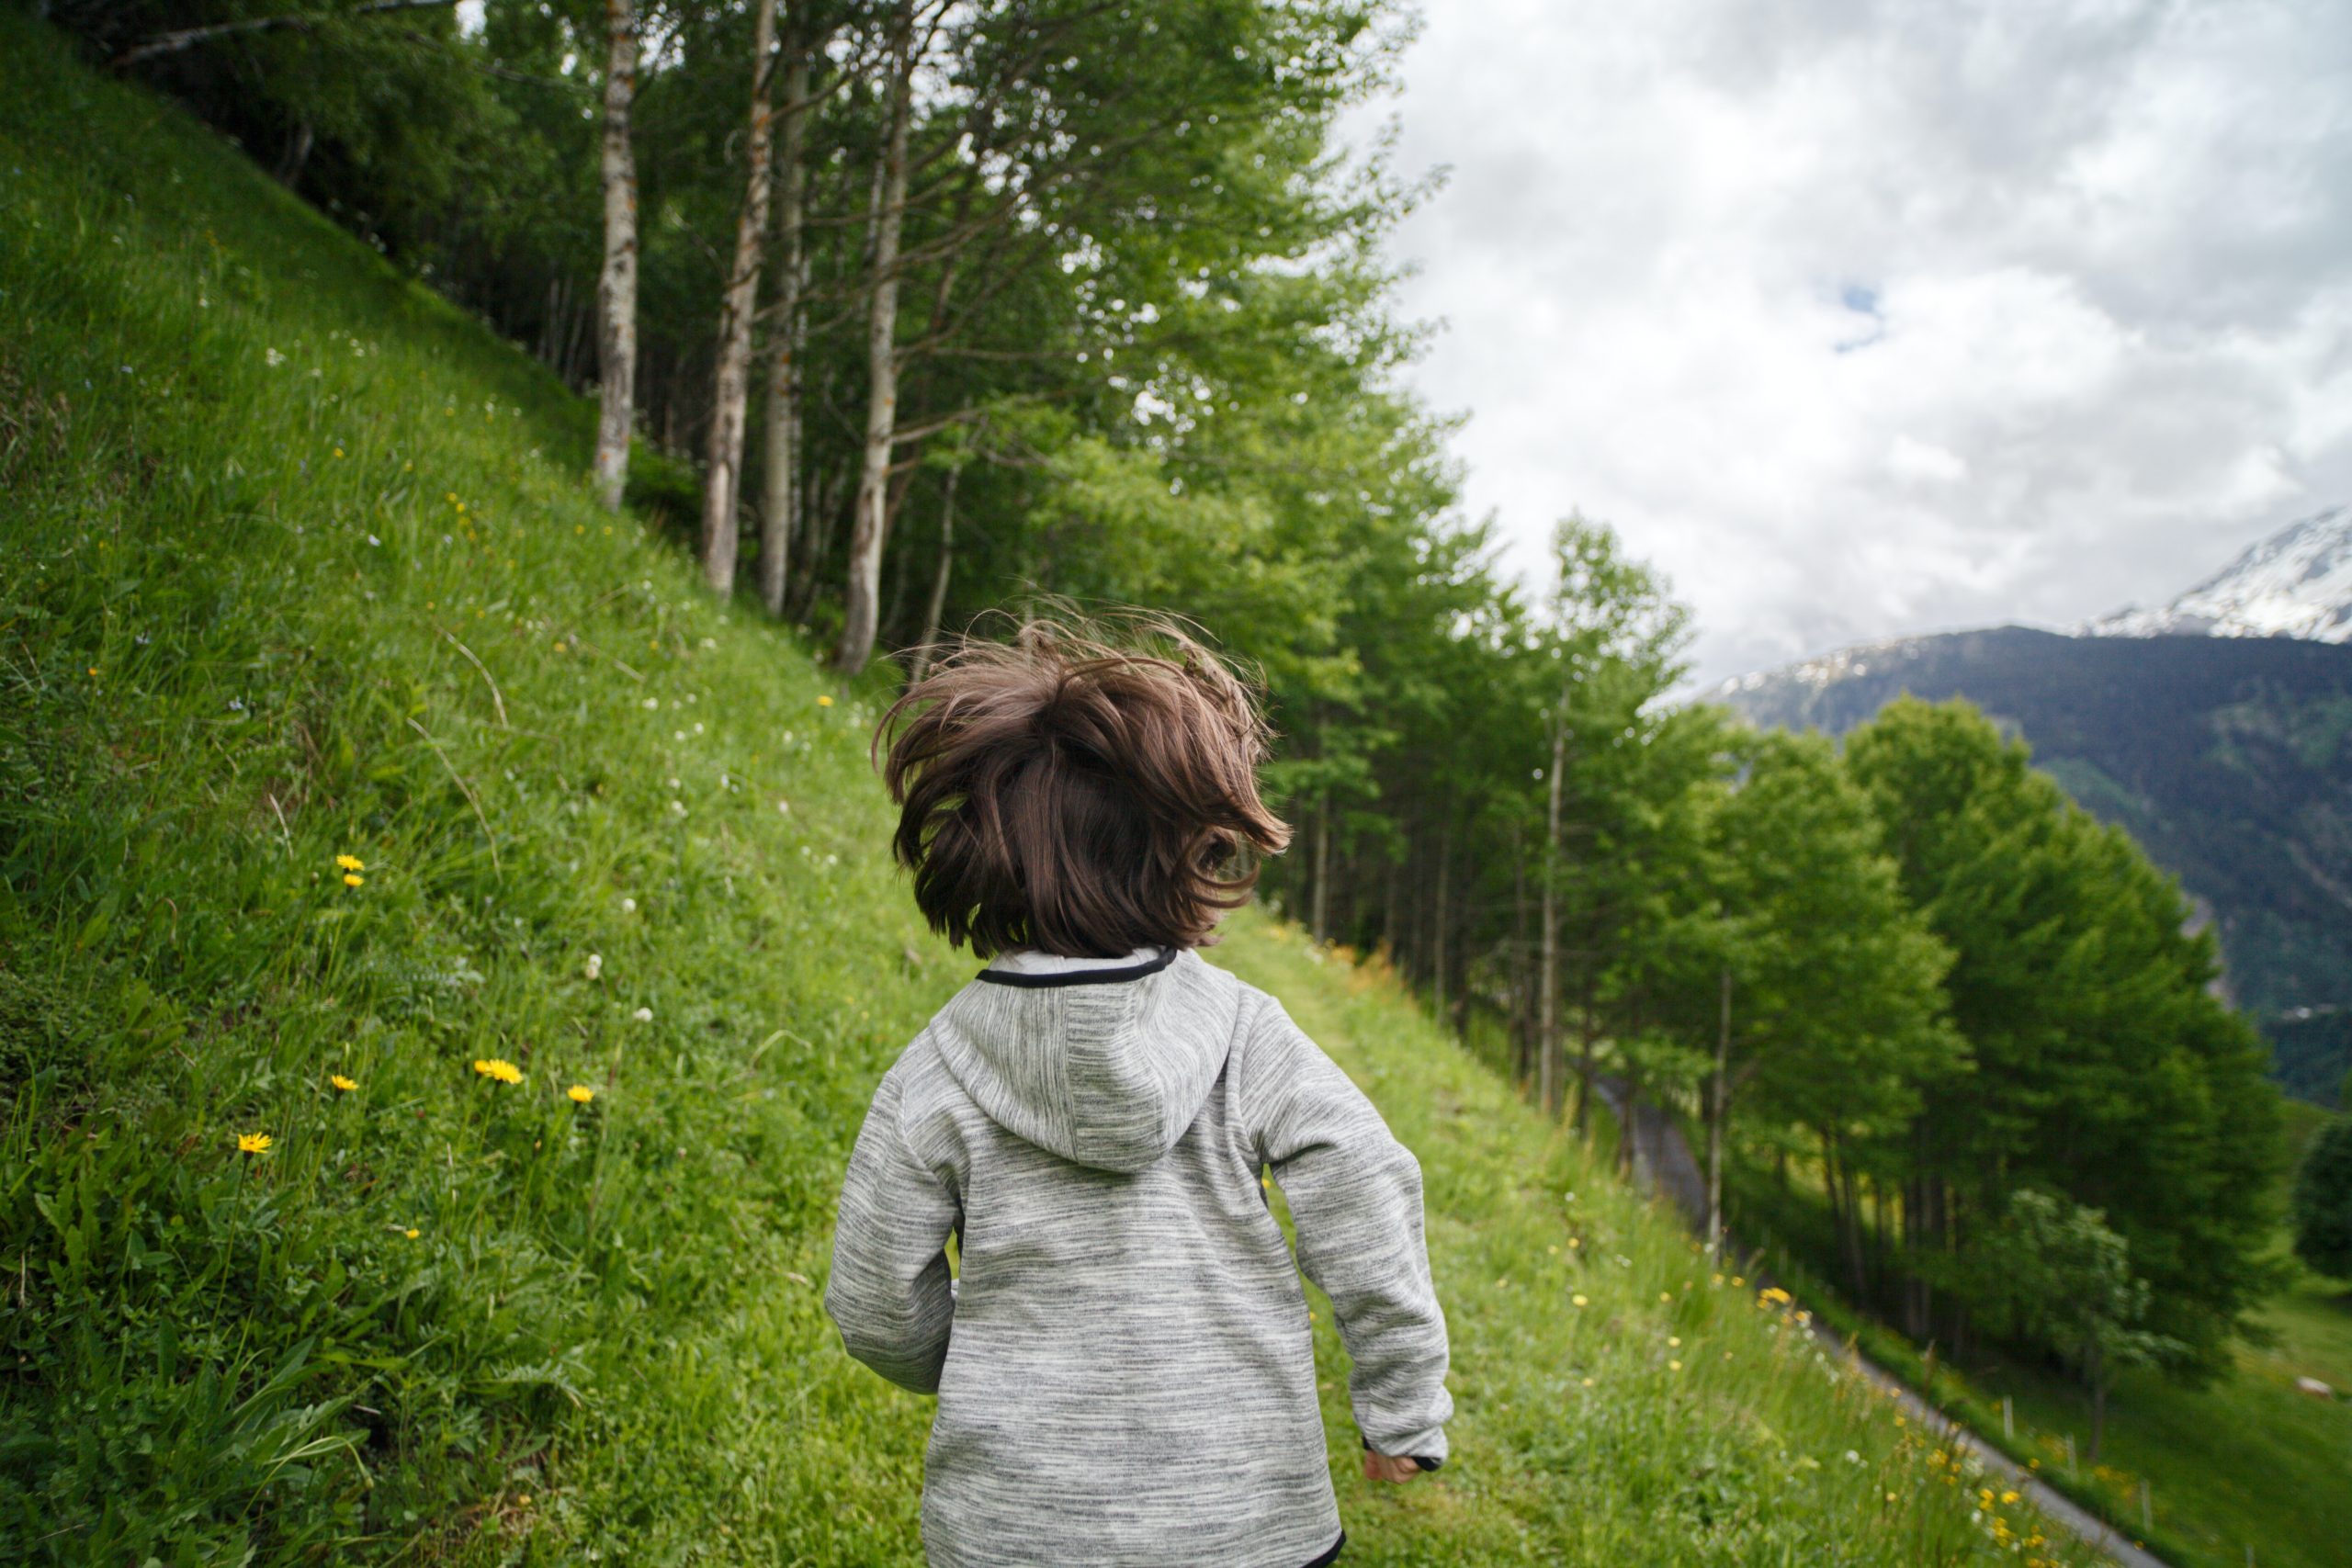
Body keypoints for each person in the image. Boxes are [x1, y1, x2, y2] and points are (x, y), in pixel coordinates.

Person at [823, 615, 1453, 1568]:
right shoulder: (1245, 1034)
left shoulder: (938, 1068)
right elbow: (1362, 1183)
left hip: (1014, 1531)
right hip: (1248, 1524)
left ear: (983, 852)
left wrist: (984, 1371)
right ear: (1187, 853)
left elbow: (874, 1302)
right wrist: (1402, 1406)